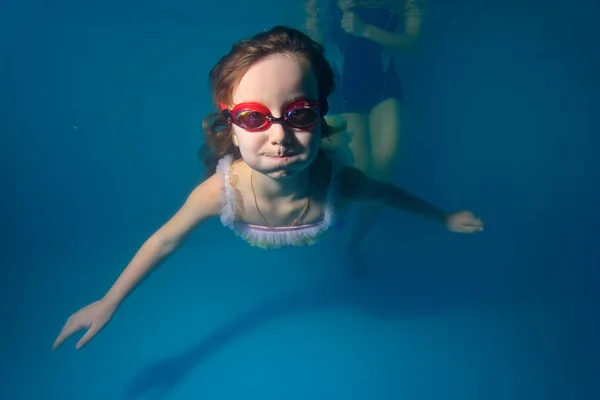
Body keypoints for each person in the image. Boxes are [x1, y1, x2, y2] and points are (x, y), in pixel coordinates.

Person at [52, 25, 483, 351]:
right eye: (255, 117)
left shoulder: (338, 183)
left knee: (370, 170)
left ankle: (341, 139)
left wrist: (442, 216)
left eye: (299, 113)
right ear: (232, 128)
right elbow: (164, 241)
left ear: (319, 114)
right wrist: (109, 301)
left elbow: (387, 195)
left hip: (328, 206)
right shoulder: (222, 194)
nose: (279, 136)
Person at [304, 0, 426, 273]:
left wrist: (366, 29)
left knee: (384, 165)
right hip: (341, 86)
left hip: (384, 82)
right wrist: (316, 23)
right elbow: (312, 44)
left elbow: (412, 44)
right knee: (357, 171)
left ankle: (355, 243)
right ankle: (332, 220)